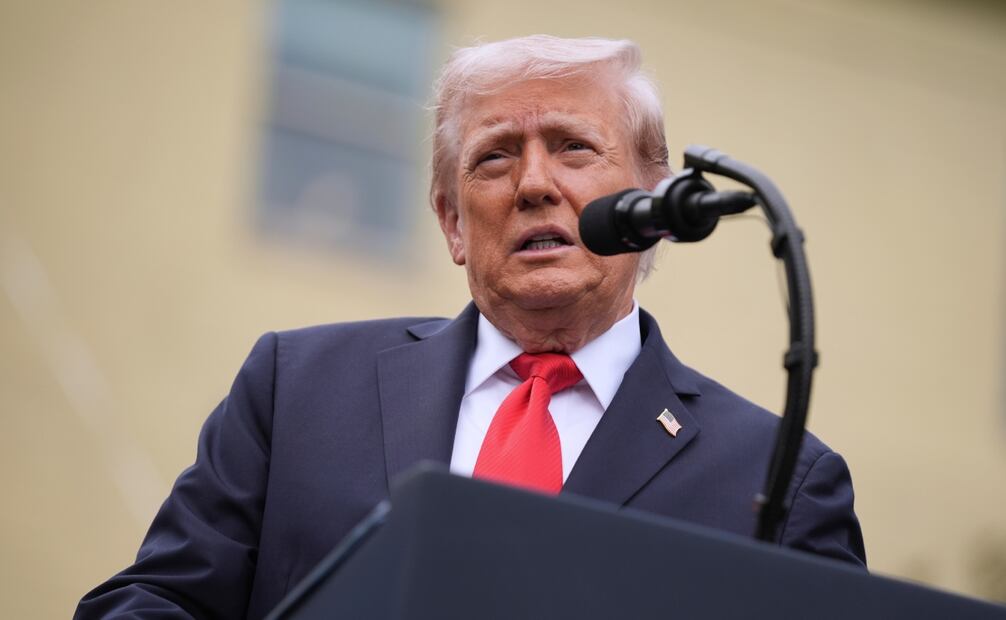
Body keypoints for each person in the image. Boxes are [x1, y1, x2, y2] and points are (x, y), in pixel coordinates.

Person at [76, 35, 865, 619]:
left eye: (572, 147)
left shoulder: (777, 479)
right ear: (453, 223)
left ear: (651, 208)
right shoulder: (297, 392)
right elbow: (155, 600)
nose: (532, 183)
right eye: (493, 159)